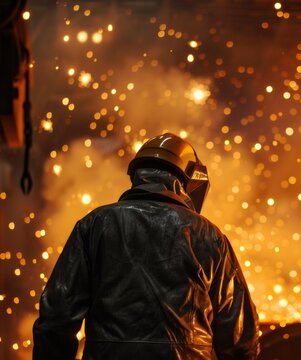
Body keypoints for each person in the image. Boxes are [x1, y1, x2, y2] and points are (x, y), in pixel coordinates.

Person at [33, 133, 260, 359]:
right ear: (189, 180)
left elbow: (57, 317)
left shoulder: (94, 225)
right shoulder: (209, 236)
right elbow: (239, 335)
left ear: (137, 175)